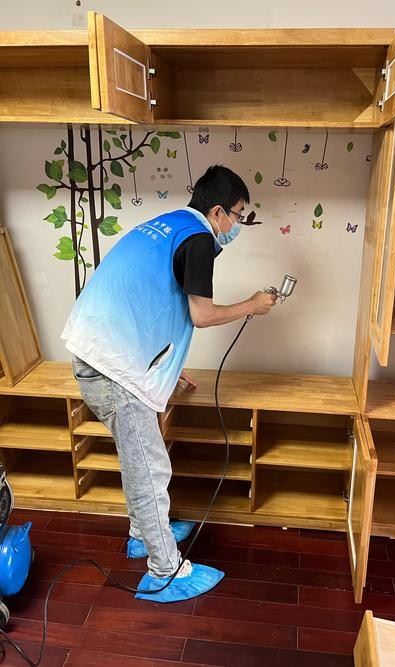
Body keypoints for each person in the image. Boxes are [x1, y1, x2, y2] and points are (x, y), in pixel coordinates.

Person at [61, 165, 277, 602]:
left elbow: (145, 297)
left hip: (101, 352)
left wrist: (163, 365)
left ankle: (142, 534)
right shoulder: (199, 240)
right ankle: (165, 570)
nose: (238, 224)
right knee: (149, 468)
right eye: (239, 215)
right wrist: (252, 305)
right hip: (111, 367)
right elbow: (202, 314)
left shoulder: (169, 224)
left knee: (139, 460)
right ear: (218, 212)